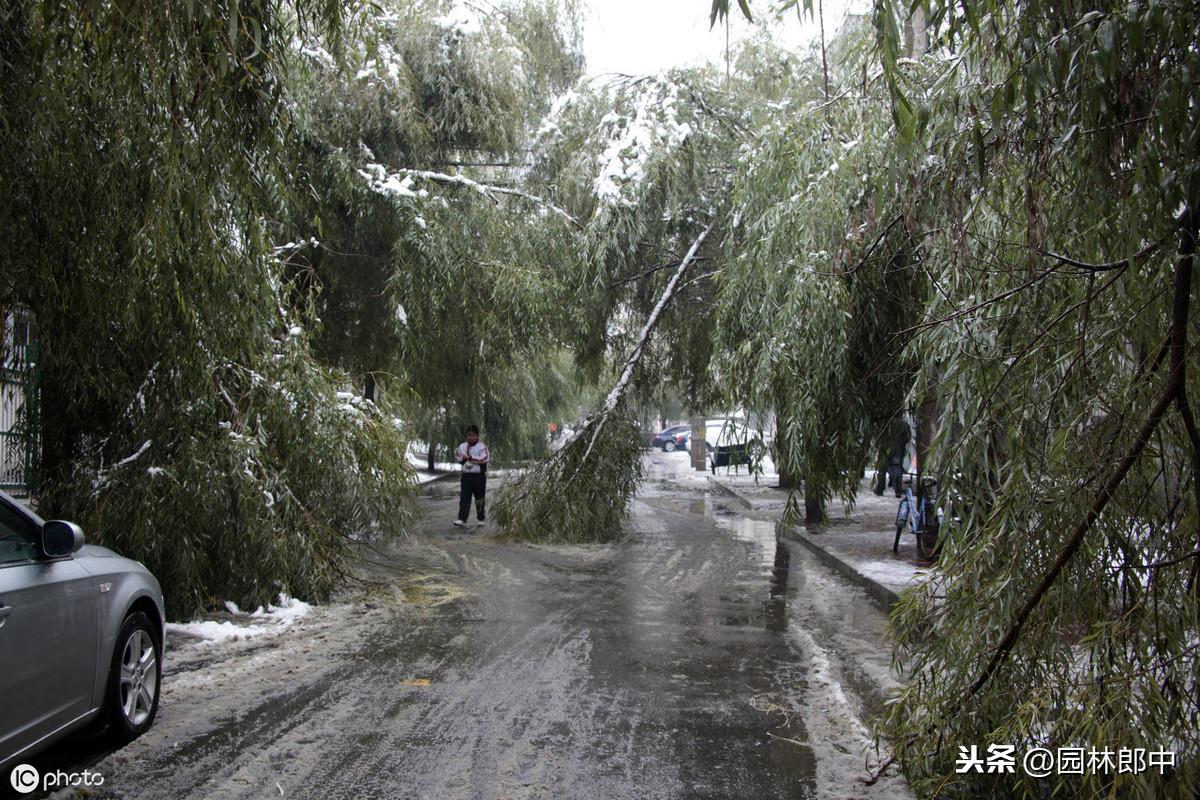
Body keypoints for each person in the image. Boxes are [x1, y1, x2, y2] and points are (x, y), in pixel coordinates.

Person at [454, 425, 489, 527]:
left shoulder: (482, 447)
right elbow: (458, 458)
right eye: (468, 435)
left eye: (473, 435)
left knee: (480, 498)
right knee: (465, 498)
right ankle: (462, 519)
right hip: (466, 477)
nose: (470, 438)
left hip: (479, 477)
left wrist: (470, 457)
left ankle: (481, 518)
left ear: (477, 436)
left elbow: (484, 458)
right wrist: (459, 456)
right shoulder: (462, 446)